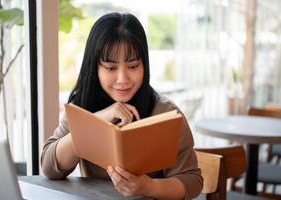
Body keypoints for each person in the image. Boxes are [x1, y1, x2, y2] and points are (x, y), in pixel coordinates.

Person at [41, 12, 203, 200]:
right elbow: (49, 167)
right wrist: (96, 121)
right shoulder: (82, 107)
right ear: (95, 68)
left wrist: (148, 187)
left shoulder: (166, 113)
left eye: (133, 66)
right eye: (111, 68)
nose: (122, 79)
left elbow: (193, 182)